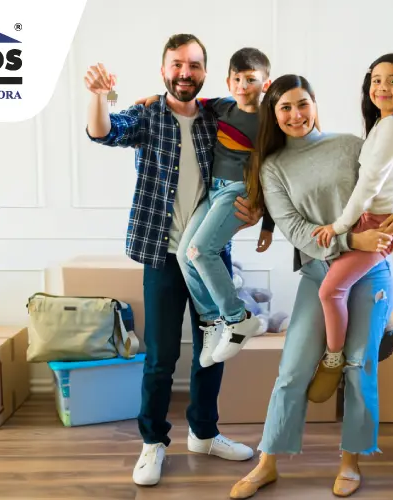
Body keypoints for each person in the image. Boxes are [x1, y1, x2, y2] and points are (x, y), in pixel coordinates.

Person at [229, 70, 393, 499]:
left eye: (303, 104)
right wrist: (352, 238)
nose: (296, 114)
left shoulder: (352, 145)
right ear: (273, 114)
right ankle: (267, 463)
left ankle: (351, 462)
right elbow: (297, 230)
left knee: (361, 368)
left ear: (315, 104)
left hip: (371, 274)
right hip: (320, 273)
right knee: (292, 370)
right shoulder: (273, 168)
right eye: (285, 107)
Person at [84, 33, 257, 488]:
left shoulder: (219, 115)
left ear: (206, 72)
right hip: (161, 255)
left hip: (207, 257)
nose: (185, 73)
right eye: (177, 65)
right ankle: (153, 443)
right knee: (160, 357)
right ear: (163, 70)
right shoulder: (147, 115)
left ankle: (204, 434)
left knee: (211, 352)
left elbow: (262, 121)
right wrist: (100, 96)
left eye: (194, 65)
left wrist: (259, 206)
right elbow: (103, 131)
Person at [136, 47, 276, 367]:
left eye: (251, 80)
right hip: (211, 191)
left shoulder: (270, 123)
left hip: (237, 191)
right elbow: (186, 101)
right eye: (237, 79)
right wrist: (153, 101)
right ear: (228, 82)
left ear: (265, 85)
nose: (242, 86)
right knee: (188, 255)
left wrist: (267, 223)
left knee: (201, 251)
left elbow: (276, 174)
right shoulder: (222, 108)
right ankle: (213, 320)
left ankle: (238, 318)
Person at [307, 53, 393, 402]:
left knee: (330, 291)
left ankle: (334, 358)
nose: (383, 87)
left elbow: (370, 184)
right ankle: (382, 325)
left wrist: (340, 226)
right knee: (345, 285)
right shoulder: (392, 124)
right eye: (377, 79)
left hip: (376, 224)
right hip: (373, 220)